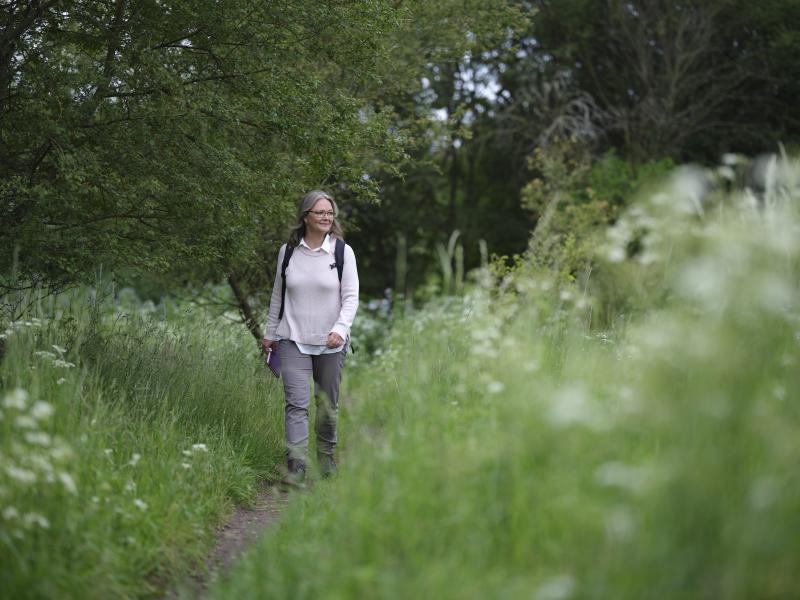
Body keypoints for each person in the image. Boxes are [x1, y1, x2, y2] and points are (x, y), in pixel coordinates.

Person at [262, 190, 359, 485]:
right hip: (292, 338)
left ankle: (326, 459)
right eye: (320, 212)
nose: (327, 217)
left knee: (326, 405)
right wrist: (270, 333)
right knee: (296, 404)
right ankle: (296, 467)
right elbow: (278, 296)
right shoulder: (288, 252)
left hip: (331, 343)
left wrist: (340, 329)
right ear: (306, 217)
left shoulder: (342, 252)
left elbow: (351, 298)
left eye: (330, 213)